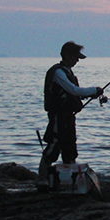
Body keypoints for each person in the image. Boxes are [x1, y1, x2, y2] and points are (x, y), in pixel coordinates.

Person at [37, 41, 104, 192]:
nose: (77, 60)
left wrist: (91, 94)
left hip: (68, 117)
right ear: (67, 55)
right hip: (57, 116)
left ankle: (71, 180)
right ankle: (42, 179)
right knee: (54, 145)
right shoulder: (58, 73)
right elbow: (73, 90)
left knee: (70, 147)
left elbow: (73, 94)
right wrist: (94, 90)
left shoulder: (67, 73)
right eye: (75, 57)